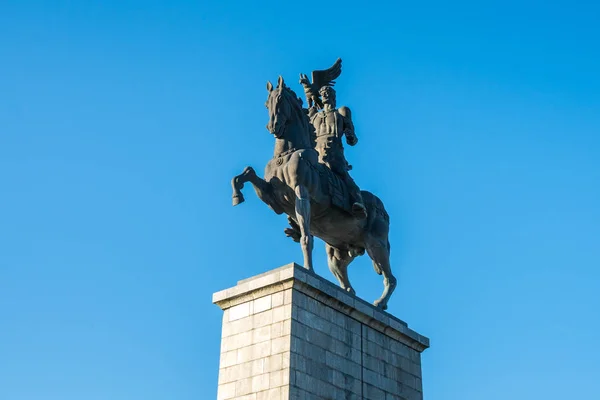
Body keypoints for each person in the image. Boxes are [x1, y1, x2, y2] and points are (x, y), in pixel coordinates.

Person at [304, 85, 367, 219]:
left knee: (341, 174)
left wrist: (351, 136)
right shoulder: (315, 115)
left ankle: (358, 202)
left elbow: (353, 139)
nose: (325, 95)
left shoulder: (341, 112)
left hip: (334, 151)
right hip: (316, 152)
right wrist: (308, 90)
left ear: (333, 96)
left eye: (328, 92)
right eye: (323, 93)